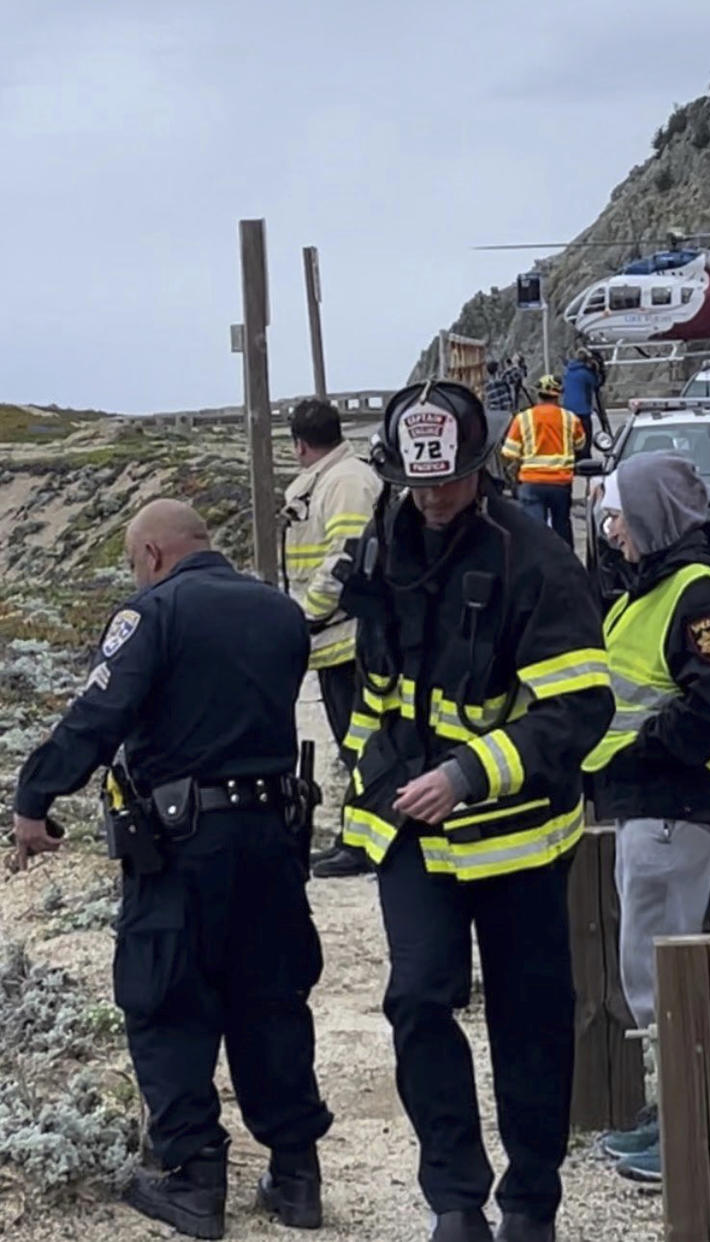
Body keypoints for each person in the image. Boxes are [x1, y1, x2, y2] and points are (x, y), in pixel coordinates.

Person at [335, 381, 612, 1242]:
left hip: (517, 838)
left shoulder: (535, 560)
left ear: (480, 468)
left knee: (529, 1021)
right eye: (420, 485)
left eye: (448, 482)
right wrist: (372, 778)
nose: (435, 499)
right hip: (412, 830)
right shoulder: (385, 545)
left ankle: (532, 1203)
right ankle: (455, 1200)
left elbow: (578, 708)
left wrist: (467, 774)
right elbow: (375, 685)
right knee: (417, 1002)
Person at [10, 499, 332, 1240]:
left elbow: (98, 715)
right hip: (275, 837)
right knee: (272, 998)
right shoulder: (279, 613)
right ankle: (296, 1174)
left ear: (151, 555)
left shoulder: (154, 614)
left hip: (185, 845)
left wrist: (35, 795)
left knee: (167, 998)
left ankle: (193, 1179)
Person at [582, 453, 710, 1189]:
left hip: (671, 804)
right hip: (649, 808)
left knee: (663, 978)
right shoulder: (647, 590)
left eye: (619, 513)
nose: (612, 528)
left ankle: (686, 1129)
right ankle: (670, 1112)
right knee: (650, 972)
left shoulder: (695, 593)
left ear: (650, 514)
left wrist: (637, 761)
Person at [282, 398, 382, 880]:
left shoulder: (344, 483)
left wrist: (307, 615)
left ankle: (362, 843)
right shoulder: (334, 479)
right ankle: (357, 837)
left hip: (350, 638)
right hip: (336, 640)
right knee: (353, 745)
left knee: (362, 745)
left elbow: (346, 559)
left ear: (299, 443)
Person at [501, 374, 585, 547]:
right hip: (560, 483)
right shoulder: (570, 418)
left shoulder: (523, 418)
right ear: (558, 394)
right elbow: (580, 444)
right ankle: (565, 565)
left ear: (537, 394)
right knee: (562, 526)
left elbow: (509, 452)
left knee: (534, 531)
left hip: (531, 483)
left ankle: (538, 568)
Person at [561, 348, 602, 454]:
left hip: (568, 411)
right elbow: (596, 383)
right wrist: (595, 370)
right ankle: (585, 458)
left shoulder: (568, 372)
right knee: (585, 439)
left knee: (571, 439)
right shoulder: (585, 373)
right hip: (582, 411)